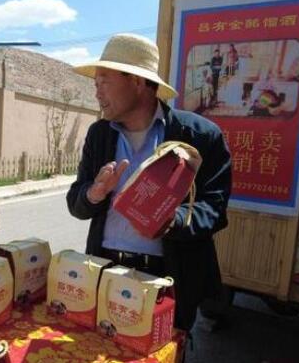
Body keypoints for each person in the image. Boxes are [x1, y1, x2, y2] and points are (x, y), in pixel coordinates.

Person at [66, 33, 232, 332]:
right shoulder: (99, 134)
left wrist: (171, 220)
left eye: (104, 81)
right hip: (106, 269)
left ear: (138, 82)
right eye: (96, 84)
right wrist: (95, 192)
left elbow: (214, 209)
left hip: (169, 276)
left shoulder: (201, 136)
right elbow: (76, 204)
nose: (97, 93)